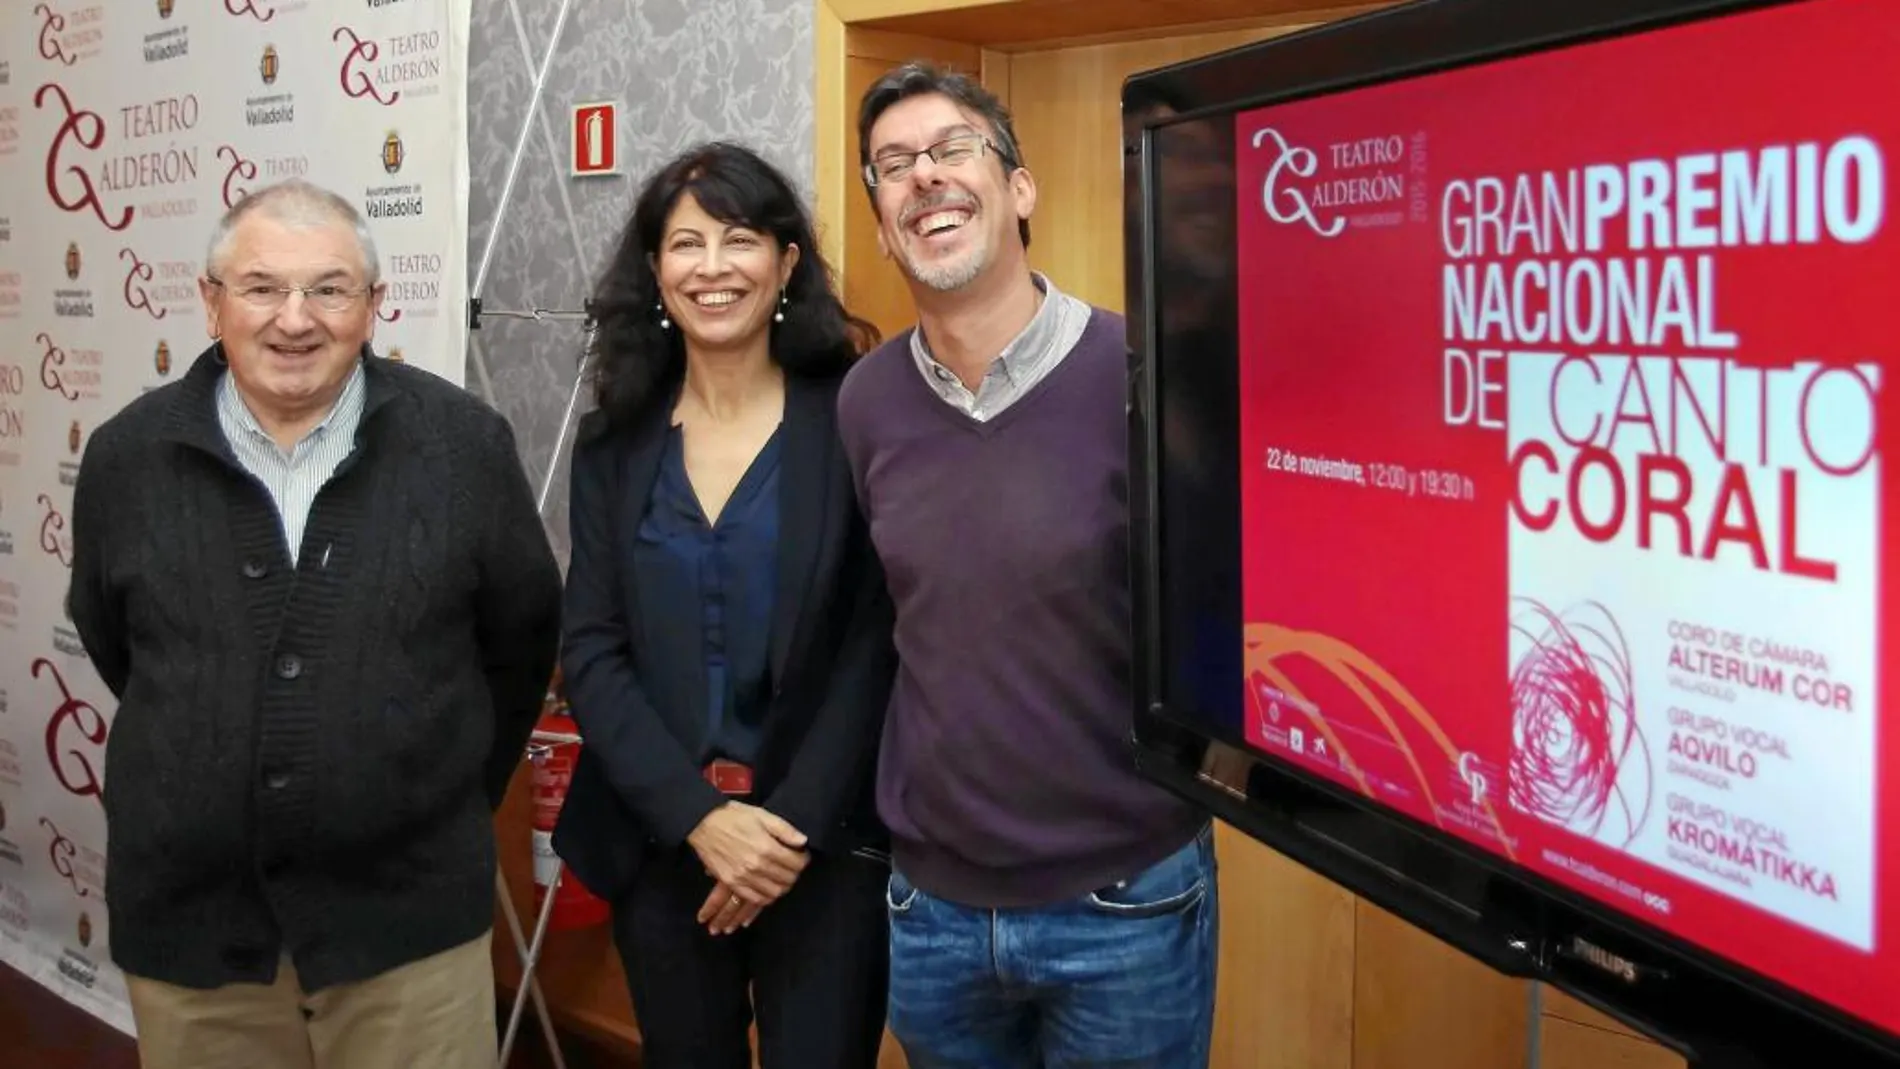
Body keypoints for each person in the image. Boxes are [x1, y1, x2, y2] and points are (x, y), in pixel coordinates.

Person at [65, 178, 563, 1069]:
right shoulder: (124, 460)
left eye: (330, 289)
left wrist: (425, 786)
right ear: (211, 303)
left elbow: (519, 644)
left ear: (374, 306)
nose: (295, 318)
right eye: (260, 287)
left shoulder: (464, 449)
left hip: (410, 934)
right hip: (196, 938)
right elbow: (118, 645)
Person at [838, 62, 1220, 1067]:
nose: (925, 176)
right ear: (879, 221)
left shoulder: (1144, 377)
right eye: (893, 164)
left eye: (953, 148)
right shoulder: (864, 403)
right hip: (932, 910)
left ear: (1019, 188)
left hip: (1124, 899)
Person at [553, 141, 897, 1069]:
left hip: (818, 844)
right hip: (661, 835)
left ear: (786, 262)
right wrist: (701, 820)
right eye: (685, 244)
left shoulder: (854, 420)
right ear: (655, 271)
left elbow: (877, 644)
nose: (712, 268)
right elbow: (589, 649)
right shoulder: (613, 443)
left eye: (739, 239)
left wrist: (778, 836)